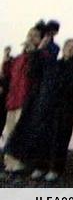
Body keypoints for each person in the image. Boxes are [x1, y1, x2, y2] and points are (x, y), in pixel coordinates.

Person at [7, 39, 73, 183]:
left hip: (64, 112)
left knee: (60, 141)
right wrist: (39, 49)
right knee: (43, 139)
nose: (69, 48)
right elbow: (35, 72)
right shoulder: (54, 65)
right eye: (67, 45)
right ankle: (41, 166)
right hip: (48, 109)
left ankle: (55, 169)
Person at [0, 25, 46, 177]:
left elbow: (36, 73)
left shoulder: (42, 56)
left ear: (41, 40)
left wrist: (33, 52)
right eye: (29, 34)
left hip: (26, 101)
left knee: (21, 133)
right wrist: (6, 59)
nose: (31, 38)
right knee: (9, 132)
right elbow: (7, 75)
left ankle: (21, 164)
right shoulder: (19, 58)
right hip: (12, 100)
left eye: (35, 35)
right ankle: (9, 164)